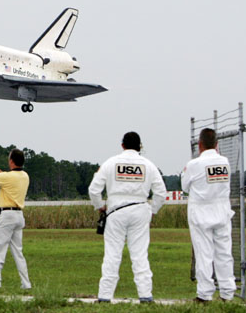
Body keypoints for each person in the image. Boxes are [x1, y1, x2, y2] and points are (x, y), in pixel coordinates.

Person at [88, 132, 166, 303]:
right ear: (140, 147)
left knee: (112, 255)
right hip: (140, 209)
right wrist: (152, 210)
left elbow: (94, 189)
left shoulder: (111, 163)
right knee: (139, 255)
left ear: (122, 145)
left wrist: (100, 206)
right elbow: (161, 193)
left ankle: (104, 296)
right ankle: (145, 295)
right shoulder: (148, 165)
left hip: (115, 211)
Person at [181, 128, 236, 302]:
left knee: (204, 254)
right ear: (217, 144)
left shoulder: (194, 165)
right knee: (224, 253)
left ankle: (204, 294)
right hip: (222, 209)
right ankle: (227, 293)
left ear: (200, 144)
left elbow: (185, 187)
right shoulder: (224, 162)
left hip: (201, 212)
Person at [0, 149, 32, 289]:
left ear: (11, 161)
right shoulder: (24, 176)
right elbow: (4, 176)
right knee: (18, 251)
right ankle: (26, 283)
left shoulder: (7, 177)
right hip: (18, 215)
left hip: (6, 215)